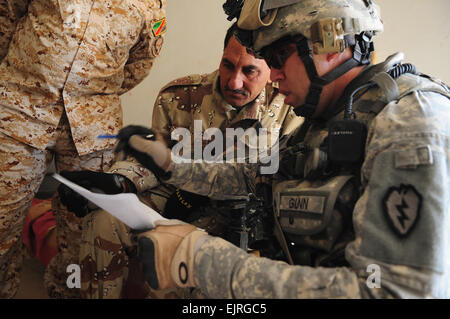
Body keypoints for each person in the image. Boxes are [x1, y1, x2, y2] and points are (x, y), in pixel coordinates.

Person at [120, 0, 450, 298]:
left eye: (278, 57)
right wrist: (172, 166)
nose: (273, 74)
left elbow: (394, 290)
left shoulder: (409, 125)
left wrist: (199, 260)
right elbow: (257, 174)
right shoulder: (332, 114)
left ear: (330, 45)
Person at [58, 23, 303, 298]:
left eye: (249, 71)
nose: (234, 81)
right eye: (227, 65)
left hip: (243, 218)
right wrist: (120, 181)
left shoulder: (292, 111)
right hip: (175, 199)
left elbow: (284, 185)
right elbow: (155, 158)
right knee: (103, 220)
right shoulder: (180, 96)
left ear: (271, 70)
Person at [0, 0, 167, 298]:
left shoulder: (150, 6)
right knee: (2, 218)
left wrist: (90, 95)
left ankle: (68, 292)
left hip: (92, 125)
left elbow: (139, 63)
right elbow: (7, 16)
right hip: (20, 110)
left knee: (85, 231)